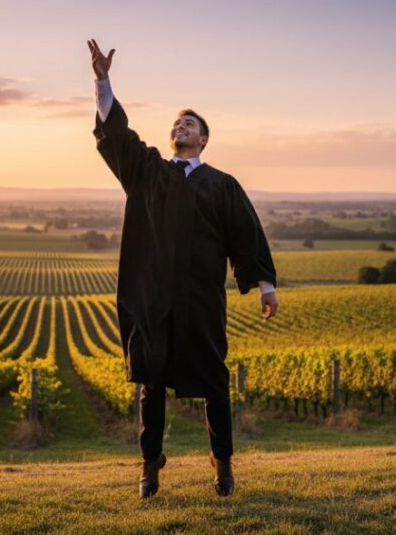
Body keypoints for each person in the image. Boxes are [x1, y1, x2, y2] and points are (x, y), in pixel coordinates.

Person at [88, 38, 278, 498]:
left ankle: (222, 464)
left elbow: (246, 235)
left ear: (203, 138)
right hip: (153, 299)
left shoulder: (222, 185)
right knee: (150, 384)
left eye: (189, 122)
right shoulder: (148, 171)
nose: (181, 125)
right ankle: (150, 465)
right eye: (177, 121)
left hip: (199, 302)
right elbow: (117, 136)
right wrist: (102, 80)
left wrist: (265, 285)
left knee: (214, 383)